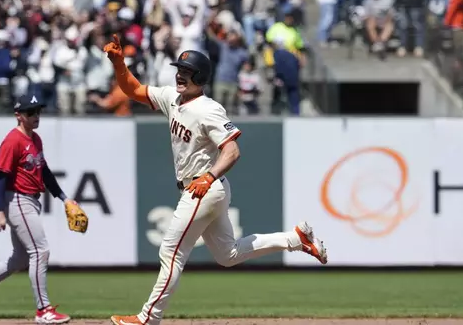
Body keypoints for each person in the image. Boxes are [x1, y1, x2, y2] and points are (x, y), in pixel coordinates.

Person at [103, 35, 328, 325]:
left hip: (204, 187)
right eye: (179, 70)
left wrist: (209, 177)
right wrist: (119, 63)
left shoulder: (208, 109)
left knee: (170, 251)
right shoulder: (173, 97)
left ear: (200, 77)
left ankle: (148, 318)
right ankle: (295, 238)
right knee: (228, 254)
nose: (179, 75)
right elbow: (132, 89)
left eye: (186, 72)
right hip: (204, 186)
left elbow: (232, 151)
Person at [0, 93, 88, 324]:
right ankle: (43, 310)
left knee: (20, 258)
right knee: (40, 251)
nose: (36, 115)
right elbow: (0, 178)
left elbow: (45, 173)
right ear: (18, 115)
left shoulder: (35, 138)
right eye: (31, 112)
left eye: (38, 111)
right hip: (17, 199)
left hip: (30, 200)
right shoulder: (12, 141)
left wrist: (64, 198)